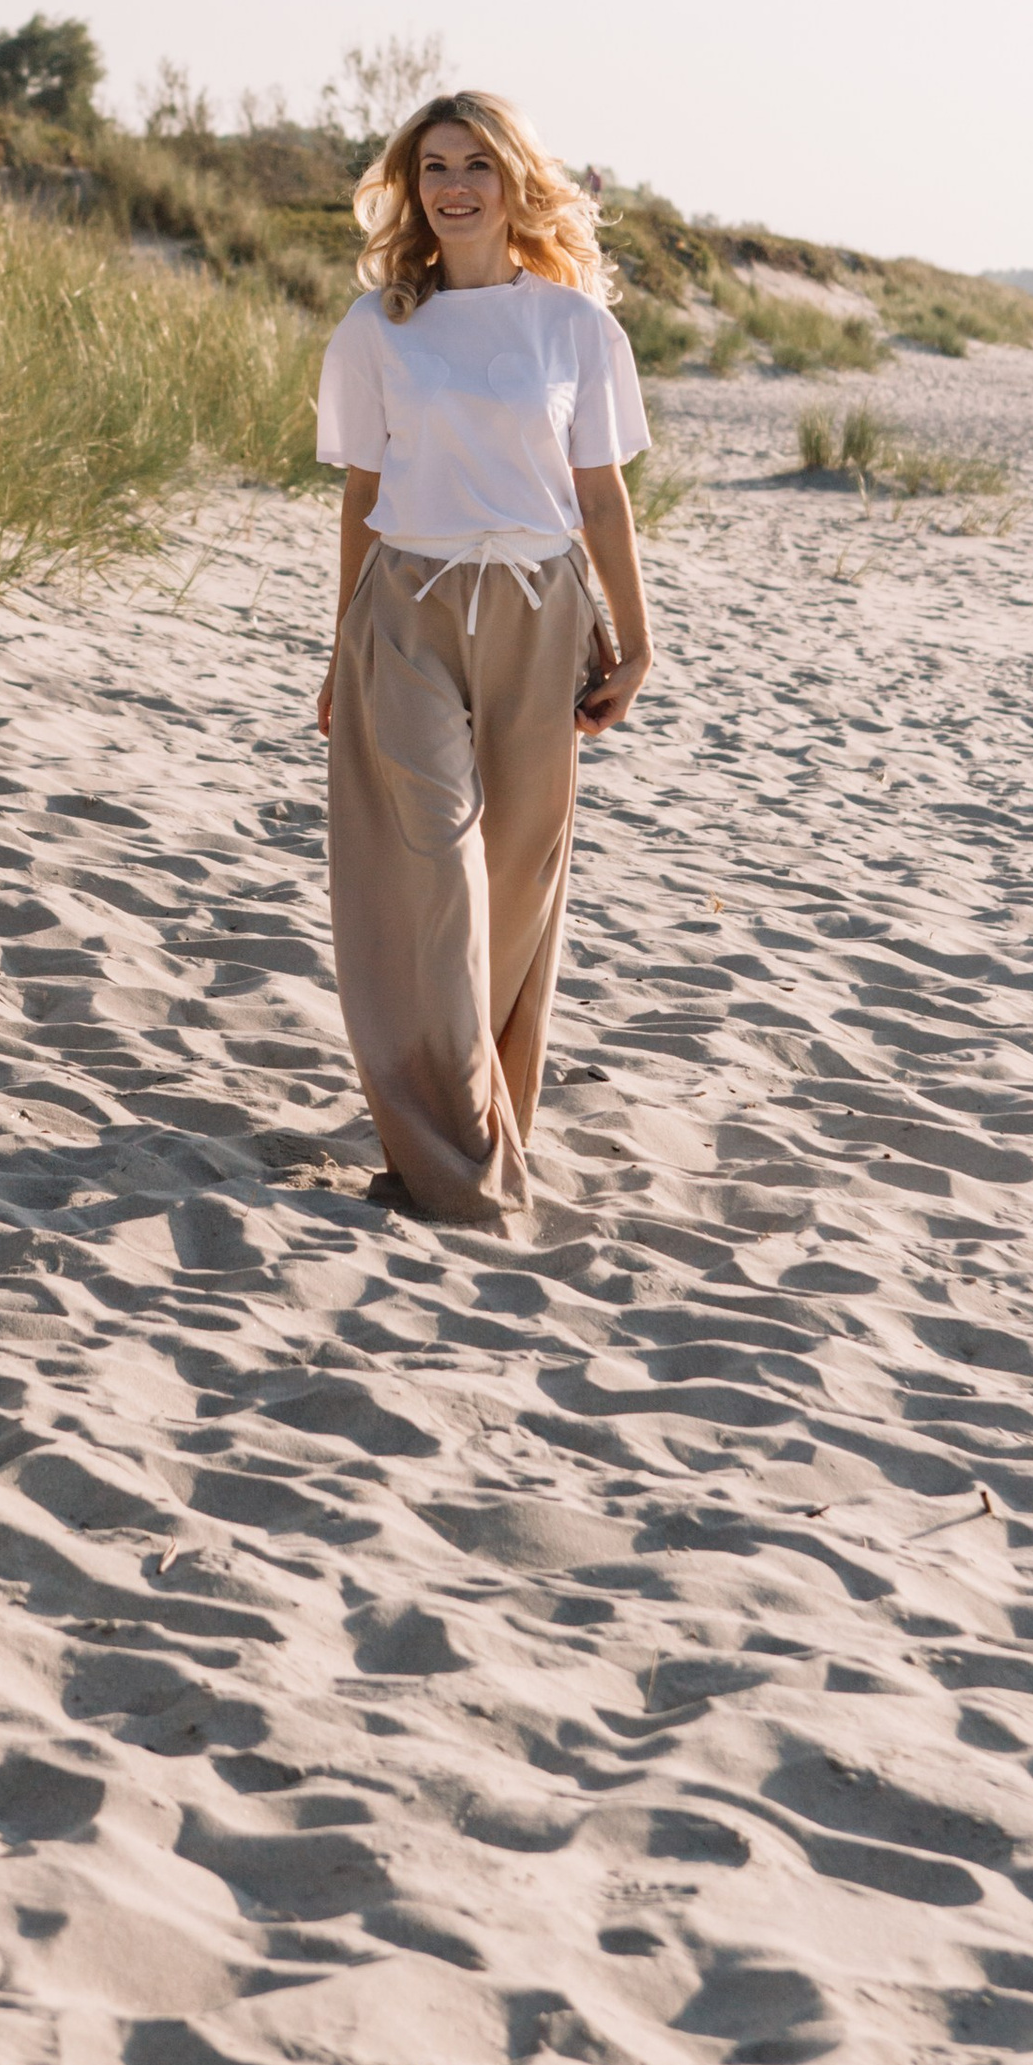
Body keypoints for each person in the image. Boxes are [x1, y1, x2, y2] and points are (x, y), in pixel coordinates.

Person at [313, 89, 657, 1220]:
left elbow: (598, 494)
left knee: (515, 882)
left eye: (474, 165)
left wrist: (635, 637)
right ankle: (455, 1162)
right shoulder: (377, 328)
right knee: (438, 872)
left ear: (515, 181)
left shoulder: (575, 328)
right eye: (432, 168)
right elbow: (363, 492)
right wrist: (338, 651)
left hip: (541, 610)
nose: (452, 186)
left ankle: (475, 1108)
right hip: (405, 607)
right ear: (410, 189)